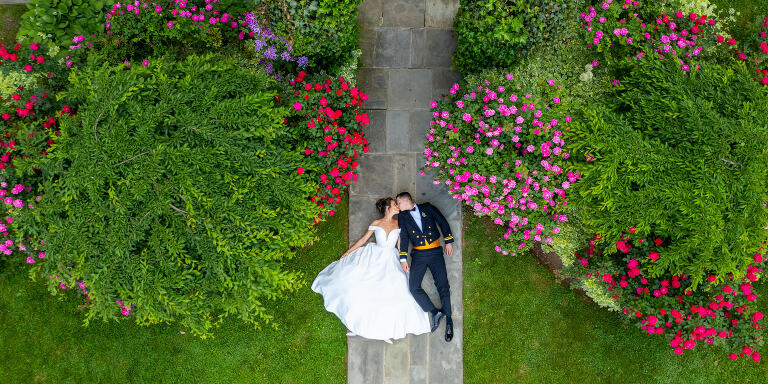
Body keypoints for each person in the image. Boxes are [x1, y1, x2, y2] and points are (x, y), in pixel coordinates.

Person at [311, 197, 431, 343]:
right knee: (362, 284)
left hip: (390, 259)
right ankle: (360, 322)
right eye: (394, 205)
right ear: (388, 208)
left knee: (396, 290)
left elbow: (401, 245)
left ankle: (384, 327)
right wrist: (348, 252)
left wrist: (403, 260)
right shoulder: (376, 223)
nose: (398, 207)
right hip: (374, 255)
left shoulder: (399, 223)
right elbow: (363, 239)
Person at [395, 192, 455, 342]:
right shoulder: (402, 217)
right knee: (414, 287)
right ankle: (435, 312)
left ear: (407, 200)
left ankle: (449, 320)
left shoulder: (427, 208)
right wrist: (403, 258)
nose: (397, 206)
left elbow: (442, 222)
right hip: (419, 255)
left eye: (398, 203)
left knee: (443, 285)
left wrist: (448, 241)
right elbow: (404, 238)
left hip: (435, 252)